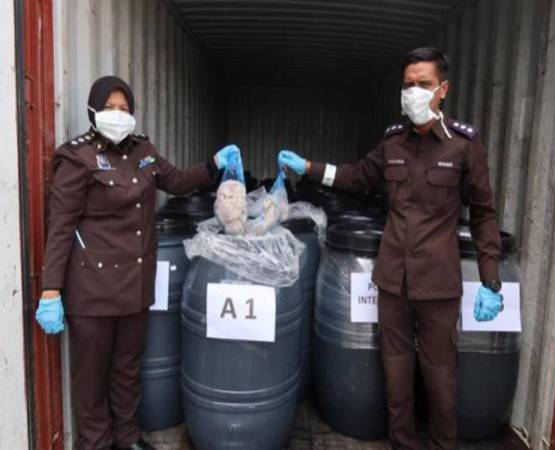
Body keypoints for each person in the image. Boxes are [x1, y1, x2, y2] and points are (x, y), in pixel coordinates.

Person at [279, 47, 503, 449]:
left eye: (423, 84)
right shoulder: (392, 143)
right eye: (408, 85)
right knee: (396, 383)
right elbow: (355, 176)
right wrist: (310, 168)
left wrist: (490, 279)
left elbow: (484, 213)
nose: (413, 92)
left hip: (438, 287)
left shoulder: (464, 146)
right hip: (392, 283)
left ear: (443, 90)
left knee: (440, 384)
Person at [35, 75, 240, 450]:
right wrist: (51, 288)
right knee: (91, 376)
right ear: (93, 111)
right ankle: (96, 442)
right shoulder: (76, 157)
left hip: (136, 285)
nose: (117, 114)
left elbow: (176, 181)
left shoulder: (142, 149)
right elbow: (60, 226)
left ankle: (127, 437)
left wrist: (213, 164)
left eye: (124, 108)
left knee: (128, 369)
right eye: (110, 108)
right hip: (92, 290)